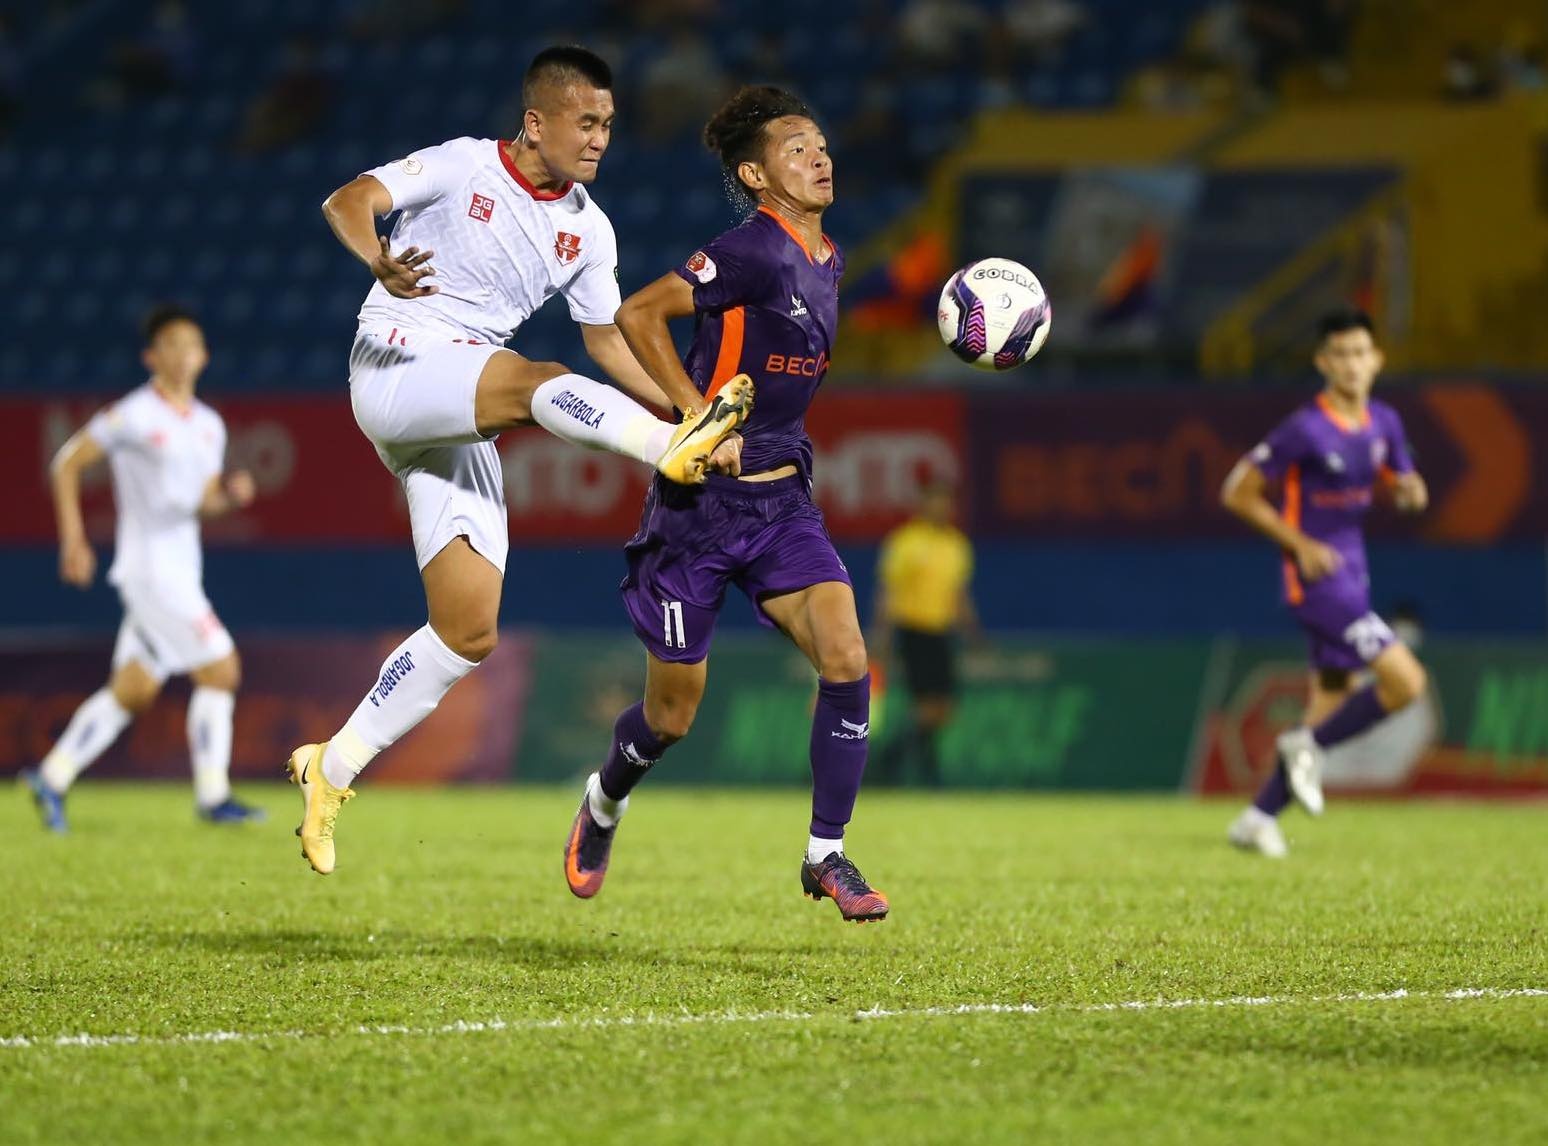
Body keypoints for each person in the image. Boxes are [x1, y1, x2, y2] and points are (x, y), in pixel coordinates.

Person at [290, 45, 751, 875]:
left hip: (456, 411)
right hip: (398, 362)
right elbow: (348, 198)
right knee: (536, 381)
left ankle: (331, 768)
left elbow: (608, 338)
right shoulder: (464, 163)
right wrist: (376, 260)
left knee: (467, 630)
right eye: (587, 122)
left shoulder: (587, 228)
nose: (601, 138)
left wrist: (688, 405)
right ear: (536, 123)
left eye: (609, 123)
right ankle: (664, 453)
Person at [560, 85, 889, 923]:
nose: (818, 155)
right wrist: (694, 414)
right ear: (756, 173)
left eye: (821, 141)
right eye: (795, 147)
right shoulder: (753, 250)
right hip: (698, 511)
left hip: (782, 503)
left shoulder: (829, 259)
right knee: (672, 716)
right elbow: (638, 314)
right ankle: (603, 801)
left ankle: (827, 855)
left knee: (848, 656)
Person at [20, 306, 262, 831]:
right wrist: (74, 539)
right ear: (151, 356)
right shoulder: (133, 415)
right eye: (170, 344)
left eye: (191, 345)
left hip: (181, 571)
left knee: (133, 690)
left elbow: (199, 504)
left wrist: (229, 498)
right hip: (150, 573)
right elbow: (66, 463)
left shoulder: (208, 426)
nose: (182, 354)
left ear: (204, 357)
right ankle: (214, 796)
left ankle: (52, 777)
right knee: (222, 670)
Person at [1220, 308, 1429, 858]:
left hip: (1355, 572)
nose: (1353, 364)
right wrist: (1301, 545)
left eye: (1361, 353)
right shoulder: (1304, 429)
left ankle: (1258, 817)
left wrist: (1411, 493)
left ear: (1377, 359)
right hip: (1315, 578)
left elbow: (1408, 484)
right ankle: (1305, 745)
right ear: (1322, 362)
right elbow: (1236, 491)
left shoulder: (1384, 421)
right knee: (1406, 682)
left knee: (1331, 698)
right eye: (1341, 354)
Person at [872, 479, 980, 787]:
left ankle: (891, 761)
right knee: (925, 706)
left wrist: (973, 633)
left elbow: (959, 595)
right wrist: (882, 635)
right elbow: (888, 592)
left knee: (943, 709)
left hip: (942, 632)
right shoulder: (905, 542)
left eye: (946, 501)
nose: (942, 507)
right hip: (913, 630)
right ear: (924, 505)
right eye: (936, 500)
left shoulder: (957, 545)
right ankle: (922, 772)